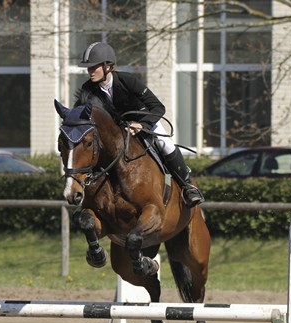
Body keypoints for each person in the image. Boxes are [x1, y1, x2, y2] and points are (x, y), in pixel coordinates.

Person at [76, 41, 205, 207]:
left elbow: (158, 107)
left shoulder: (127, 81)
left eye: (94, 67)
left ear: (108, 66)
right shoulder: (88, 88)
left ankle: (188, 186)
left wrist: (142, 125)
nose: (90, 72)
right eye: (88, 68)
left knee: (165, 144)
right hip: (118, 130)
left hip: (144, 120)